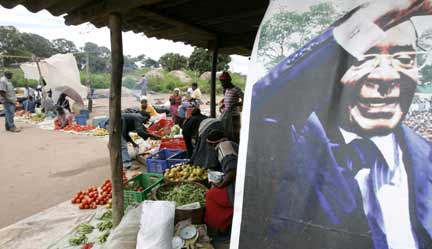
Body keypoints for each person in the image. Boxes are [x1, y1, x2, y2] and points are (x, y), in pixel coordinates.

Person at [244, 2, 432, 249]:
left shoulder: (426, 158)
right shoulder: (291, 144)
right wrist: (369, 19)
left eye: (405, 58)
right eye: (363, 57)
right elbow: (265, 102)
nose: (386, 76)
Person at [204, 130, 238, 236]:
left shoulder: (223, 148)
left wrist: (220, 185)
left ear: (213, 144)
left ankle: (220, 225)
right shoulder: (231, 144)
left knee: (210, 195)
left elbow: (233, 171)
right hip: (240, 181)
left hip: (238, 188)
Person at [219, 71, 243, 143]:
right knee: (227, 134)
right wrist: (223, 104)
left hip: (234, 117)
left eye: (223, 82)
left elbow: (246, 99)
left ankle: (237, 151)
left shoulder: (236, 89)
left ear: (228, 81)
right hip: (227, 116)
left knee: (235, 135)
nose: (222, 84)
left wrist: (236, 104)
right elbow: (227, 100)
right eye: (221, 82)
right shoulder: (226, 90)